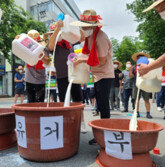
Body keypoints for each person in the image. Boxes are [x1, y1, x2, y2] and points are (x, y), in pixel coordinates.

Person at [71, 9, 114, 144]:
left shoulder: (100, 37)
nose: (83, 29)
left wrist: (82, 60)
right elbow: (89, 55)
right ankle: (102, 134)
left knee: (103, 105)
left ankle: (105, 134)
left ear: (93, 26)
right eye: (82, 26)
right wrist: (79, 58)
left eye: (85, 26)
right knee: (100, 105)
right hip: (97, 75)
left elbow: (101, 60)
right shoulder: (90, 37)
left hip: (105, 75)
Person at [140, 0, 165, 120]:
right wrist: (164, 63)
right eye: (156, 8)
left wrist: (149, 67)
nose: (158, 10)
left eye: (161, 6)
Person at [47, 21, 86, 133]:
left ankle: (81, 123)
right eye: (55, 32)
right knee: (64, 101)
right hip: (62, 76)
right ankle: (66, 123)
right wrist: (57, 30)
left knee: (78, 100)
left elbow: (82, 38)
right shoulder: (53, 45)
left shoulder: (69, 41)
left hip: (74, 75)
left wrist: (76, 28)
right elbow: (50, 46)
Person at [15, 30, 50, 103]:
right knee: (30, 101)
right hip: (29, 79)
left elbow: (47, 62)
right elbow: (17, 48)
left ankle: (39, 114)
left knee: (40, 102)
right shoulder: (26, 47)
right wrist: (17, 39)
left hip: (40, 80)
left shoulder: (43, 49)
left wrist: (41, 56)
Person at [129, 52, 153, 119]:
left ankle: (148, 113)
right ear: (137, 59)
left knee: (147, 100)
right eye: (139, 57)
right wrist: (130, 70)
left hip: (146, 84)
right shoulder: (134, 67)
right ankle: (137, 112)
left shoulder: (148, 66)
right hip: (136, 84)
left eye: (142, 57)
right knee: (136, 100)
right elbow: (131, 76)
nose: (140, 58)